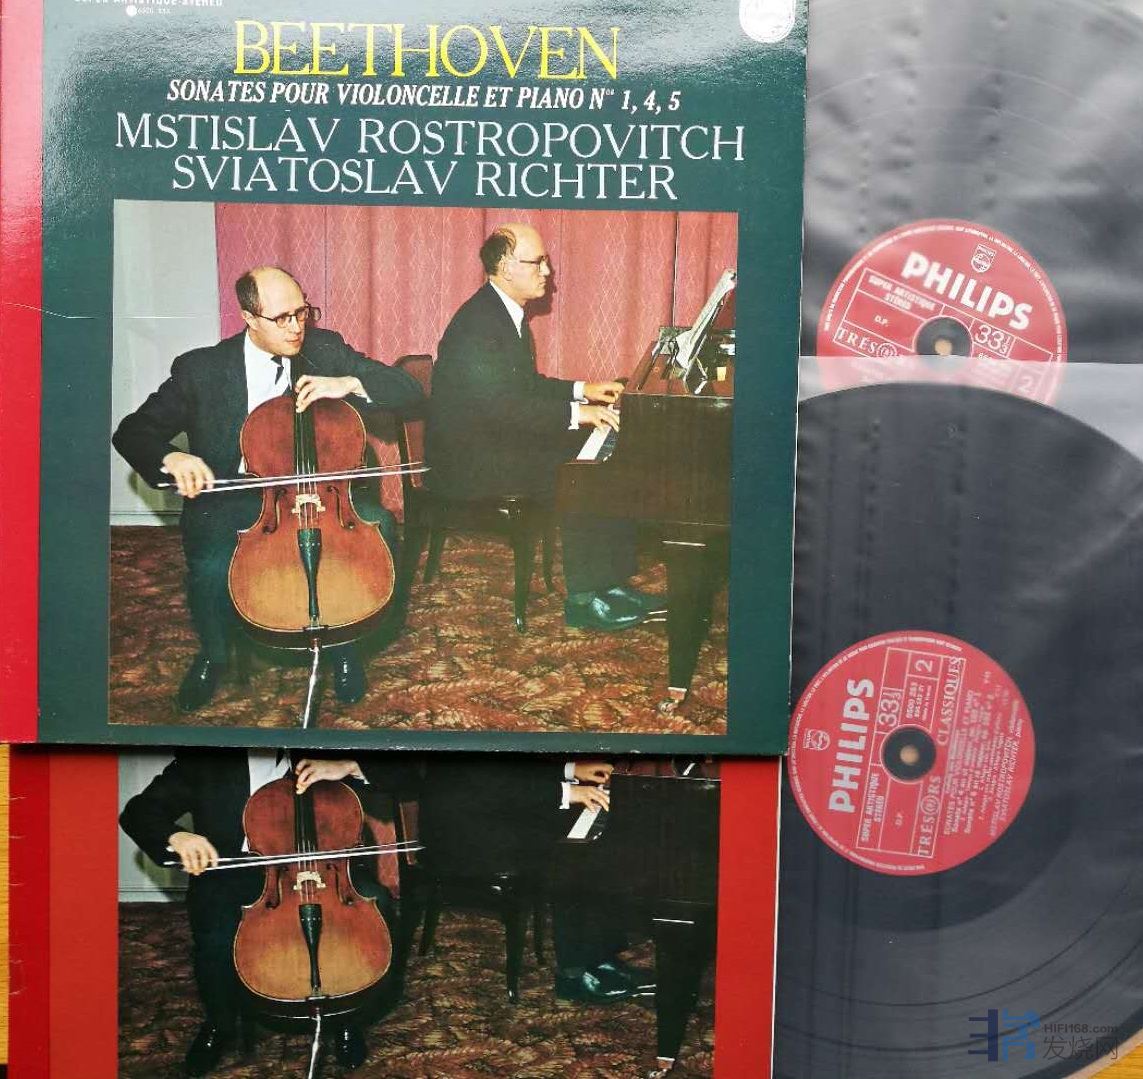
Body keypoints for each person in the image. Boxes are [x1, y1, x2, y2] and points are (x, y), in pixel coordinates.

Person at [113, 266, 424, 711]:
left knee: (379, 526)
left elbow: (410, 390)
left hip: (324, 493)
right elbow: (133, 431)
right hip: (236, 496)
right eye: (281, 318)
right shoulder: (201, 369)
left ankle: (345, 648)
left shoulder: (325, 349)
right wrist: (172, 457)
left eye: (302, 312)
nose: (296, 327)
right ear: (249, 317)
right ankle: (213, 655)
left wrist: (351, 382)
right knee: (210, 566)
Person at [119, 749, 415, 1076]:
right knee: (215, 933)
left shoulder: (321, 746)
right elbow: (138, 812)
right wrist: (176, 836)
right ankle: (219, 1023)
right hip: (236, 869)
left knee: (376, 902)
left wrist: (349, 765)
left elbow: (407, 775)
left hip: (326, 867)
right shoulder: (207, 757)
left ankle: (347, 1017)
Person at [425, 224, 659, 632]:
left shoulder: (503, 313)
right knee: (584, 472)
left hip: (492, 442)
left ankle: (610, 584)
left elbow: (525, 387)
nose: (547, 271)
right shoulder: (479, 325)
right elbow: (500, 408)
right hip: (471, 463)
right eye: (537, 263)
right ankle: (585, 601)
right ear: (505, 268)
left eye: (546, 261)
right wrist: (579, 414)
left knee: (606, 455)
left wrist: (584, 390)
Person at [419, 756, 646, 1003]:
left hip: (488, 810)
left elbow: (512, 765)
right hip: (463, 834)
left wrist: (569, 769)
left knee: (591, 839)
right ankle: (574, 975)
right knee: (574, 853)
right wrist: (565, 792)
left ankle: (602, 959)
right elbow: (489, 778)